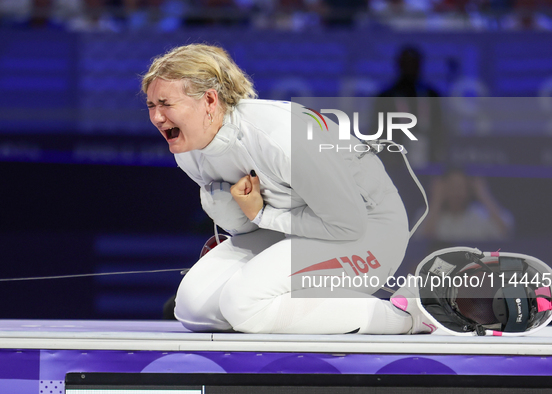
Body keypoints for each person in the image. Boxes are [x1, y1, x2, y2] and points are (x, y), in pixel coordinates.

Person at [141, 43, 430, 335]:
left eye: (166, 103)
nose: (157, 117)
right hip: (295, 228)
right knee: (194, 307)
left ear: (210, 101)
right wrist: (233, 211)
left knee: (243, 304)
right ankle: (278, 314)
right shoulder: (188, 149)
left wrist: (262, 215)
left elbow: (347, 225)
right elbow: (249, 227)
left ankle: (406, 315)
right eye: (152, 105)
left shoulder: (280, 137)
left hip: (370, 232)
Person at [417, 167, 514, 245]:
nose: (457, 192)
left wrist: (483, 194)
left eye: (461, 187)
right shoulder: (426, 215)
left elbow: (506, 232)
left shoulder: (479, 215)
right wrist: (436, 199)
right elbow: (420, 242)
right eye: (452, 187)